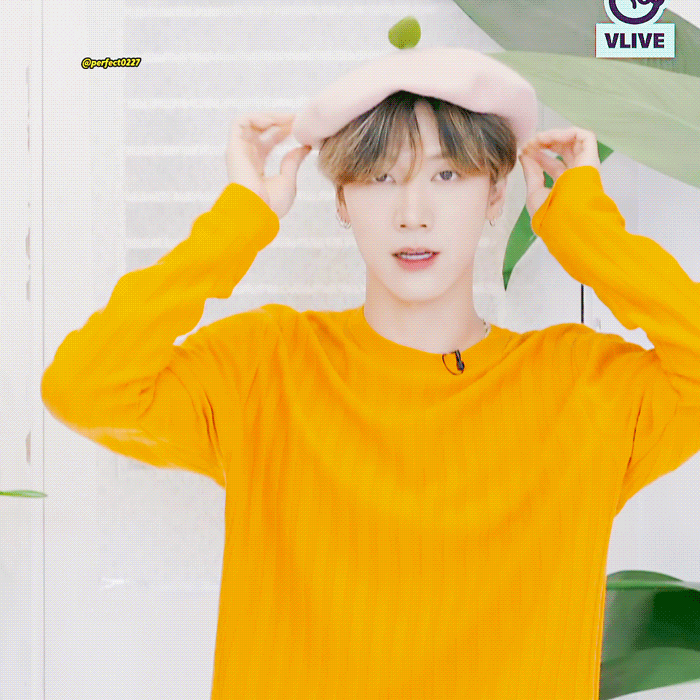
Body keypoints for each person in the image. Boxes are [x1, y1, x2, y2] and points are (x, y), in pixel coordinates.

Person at [41, 45, 700, 700]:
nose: (413, 213)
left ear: (496, 193)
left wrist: (587, 229)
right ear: (342, 201)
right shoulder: (267, 366)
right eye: (381, 178)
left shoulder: (581, 386)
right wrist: (238, 223)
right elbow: (86, 386)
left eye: (447, 175)